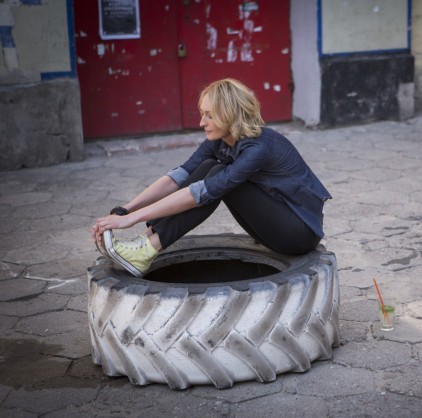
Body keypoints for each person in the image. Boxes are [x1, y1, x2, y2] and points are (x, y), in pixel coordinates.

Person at [91, 78, 331, 277]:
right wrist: (124, 210)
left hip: (298, 234)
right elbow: (177, 178)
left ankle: (146, 250)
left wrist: (132, 219)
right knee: (207, 166)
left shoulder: (258, 149)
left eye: (209, 116)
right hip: (271, 228)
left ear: (230, 115)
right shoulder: (220, 141)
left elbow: (200, 193)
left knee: (217, 177)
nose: (201, 122)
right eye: (202, 114)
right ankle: (145, 242)